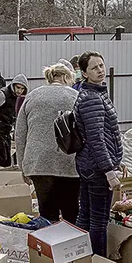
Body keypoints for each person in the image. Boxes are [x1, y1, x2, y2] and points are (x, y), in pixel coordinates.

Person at [15, 62, 80, 224]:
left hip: (39, 163)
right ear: (66, 77)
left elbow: (20, 133)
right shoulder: (75, 96)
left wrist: (23, 166)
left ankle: (47, 247)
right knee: (71, 213)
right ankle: (72, 246)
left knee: (46, 215)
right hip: (68, 164)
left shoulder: (32, 96)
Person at [74, 52, 122, 257]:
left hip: (90, 165)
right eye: (94, 68)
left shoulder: (96, 93)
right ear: (84, 73)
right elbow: (97, 139)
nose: (100, 70)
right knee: (99, 220)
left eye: (101, 66)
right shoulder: (91, 98)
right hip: (97, 168)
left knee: (85, 216)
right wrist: (109, 171)